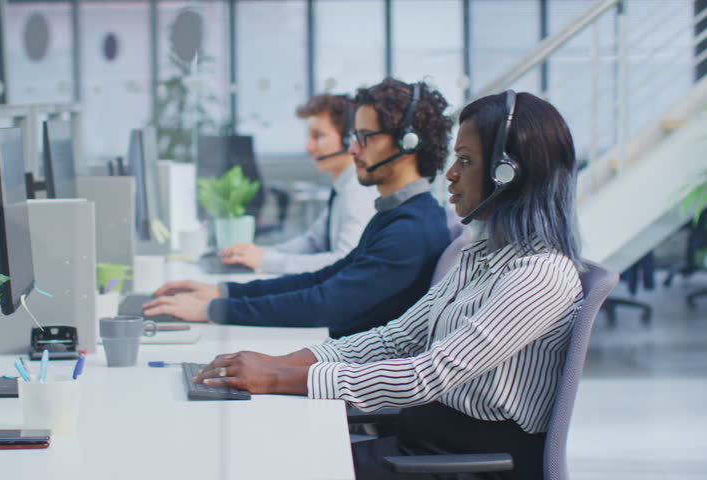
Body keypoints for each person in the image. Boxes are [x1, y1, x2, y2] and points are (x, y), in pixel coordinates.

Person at [190, 91, 585, 480]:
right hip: (424, 444)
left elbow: (425, 375)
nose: (450, 173)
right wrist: (282, 363)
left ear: (508, 176)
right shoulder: (480, 253)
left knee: (273, 465)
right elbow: (396, 338)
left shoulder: (541, 276)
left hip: (470, 464)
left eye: (465, 161)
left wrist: (278, 378)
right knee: (265, 449)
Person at [144, 78, 454, 339]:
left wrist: (212, 310)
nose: (353, 148)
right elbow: (322, 279)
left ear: (407, 143)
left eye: (364, 137)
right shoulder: (398, 215)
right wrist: (223, 293)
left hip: (353, 380)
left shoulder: (411, 229)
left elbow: (326, 302)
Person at [217, 94, 379, 274]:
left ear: (349, 139)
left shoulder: (358, 189)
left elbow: (345, 262)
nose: (308, 147)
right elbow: (313, 241)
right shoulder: (343, 185)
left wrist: (267, 261)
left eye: (318, 136)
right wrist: (260, 253)